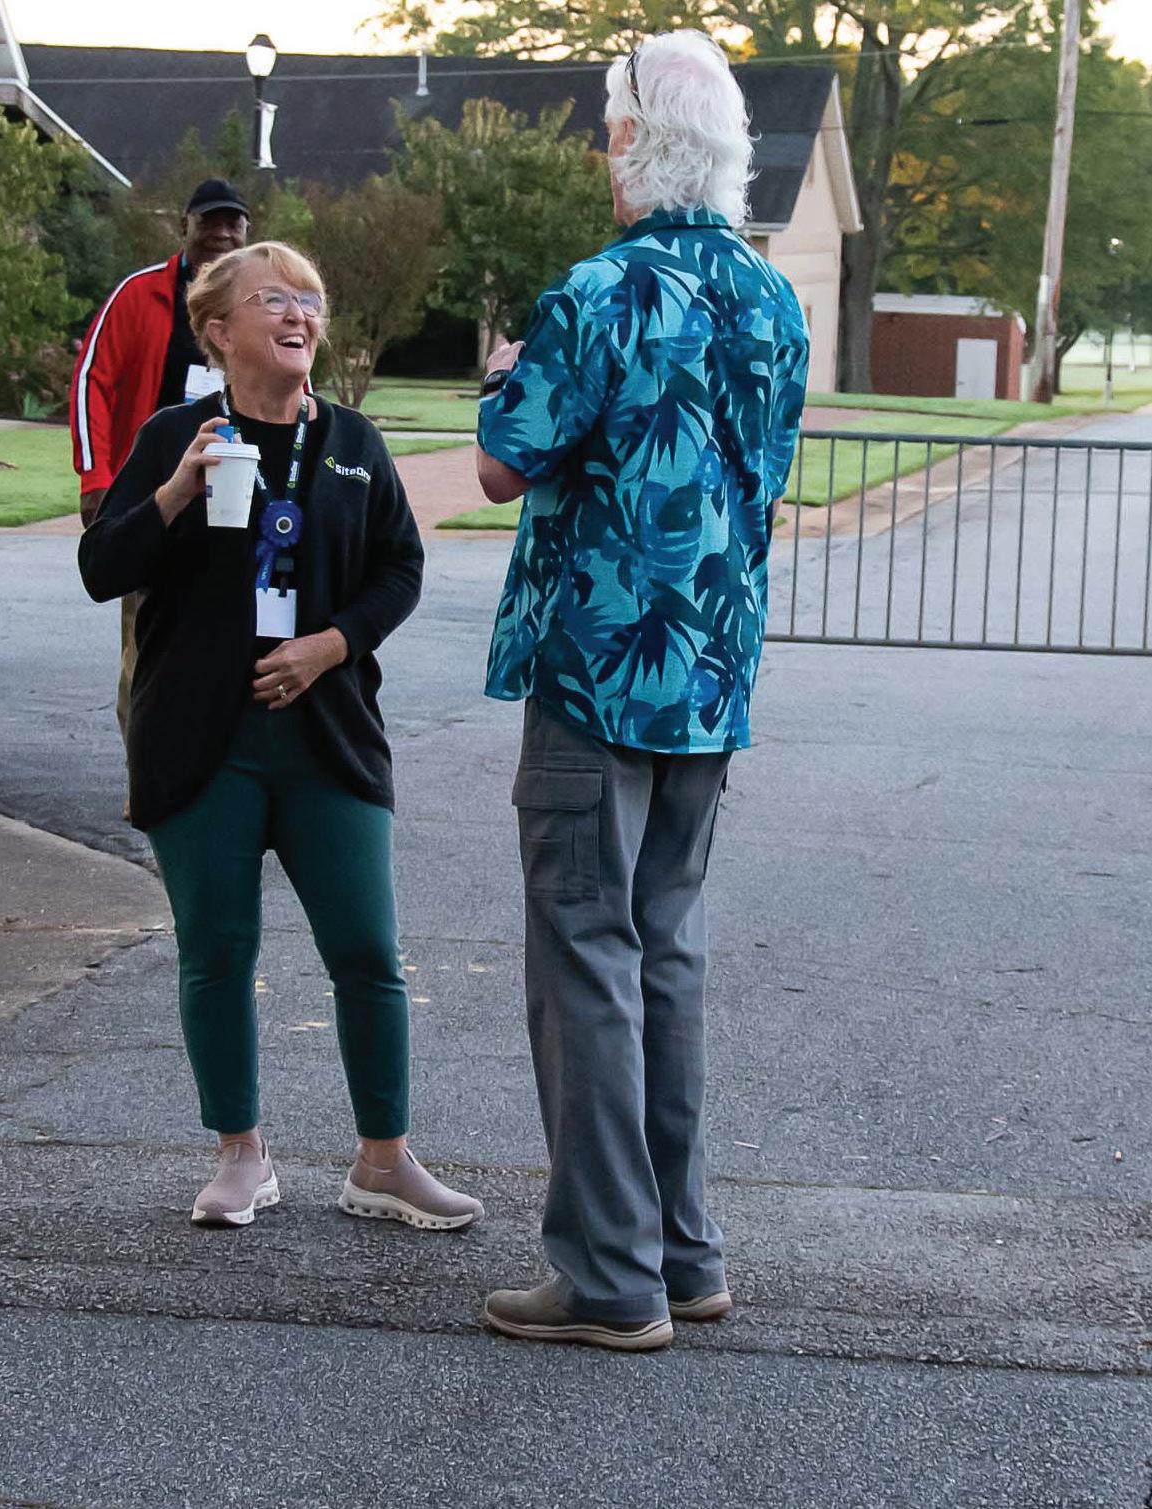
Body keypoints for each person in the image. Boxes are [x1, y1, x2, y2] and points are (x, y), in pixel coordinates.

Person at [471, 31, 810, 1352]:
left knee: (585, 950)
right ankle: (680, 1251)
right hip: (709, 666)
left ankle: (608, 1275)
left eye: (605, 128)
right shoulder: (771, 299)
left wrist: (506, 378)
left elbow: (506, 462)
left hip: (596, 668)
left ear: (629, 143)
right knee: (664, 947)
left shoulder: (599, 291)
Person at [80, 242, 482, 1233]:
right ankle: (240, 1155)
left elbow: (400, 568)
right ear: (217, 332)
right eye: (274, 299)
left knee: (367, 951)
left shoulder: (351, 441)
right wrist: (176, 490)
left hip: (327, 737)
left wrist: (330, 645)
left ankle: (383, 1161)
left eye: (310, 298)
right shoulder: (175, 436)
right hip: (199, 740)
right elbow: (101, 568)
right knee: (216, 950)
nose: (300, 313)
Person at [70, 179, 250, 738]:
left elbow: (296, 387)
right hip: (157, 493)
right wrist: (96, 476)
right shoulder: (139, 293)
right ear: (184, 226)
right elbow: (92, 381)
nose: (221, 233)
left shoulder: (261, 303)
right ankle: (144, 765)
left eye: (233, 223)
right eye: (209, 221)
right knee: (144, 640)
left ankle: (218, 759)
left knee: (235, 633)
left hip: (237, 493)